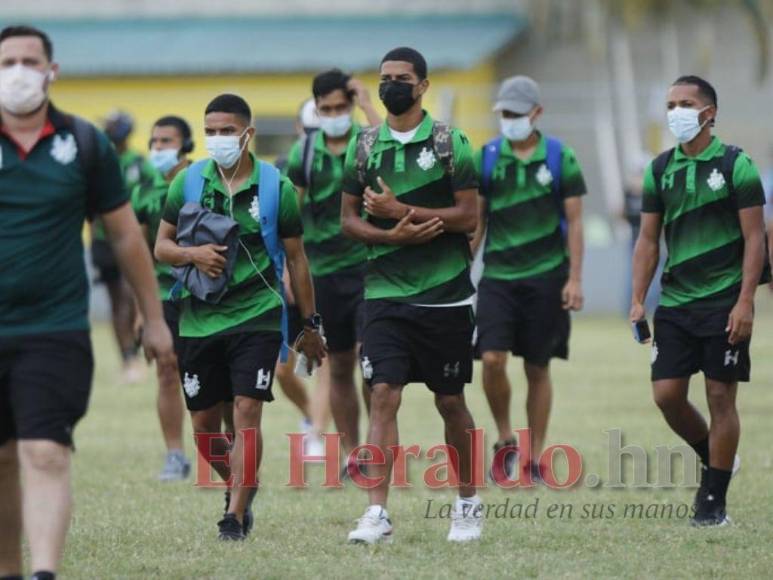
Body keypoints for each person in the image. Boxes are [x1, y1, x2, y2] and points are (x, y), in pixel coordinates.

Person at [0, 25, 174, 580]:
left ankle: (44, 572)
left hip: (54, 327)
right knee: (2, 459)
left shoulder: (84, 143)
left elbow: (125, 235)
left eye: (30, 61)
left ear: (51, 71)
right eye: (7, 62)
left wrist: (154, 319)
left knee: (46, 451)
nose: (18, 72)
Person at [155, 93, 326, 541]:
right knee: (204, 427)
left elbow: (297, 259)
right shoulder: (187, 182)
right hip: (199, 318)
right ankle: (240, 481)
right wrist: (193, 254)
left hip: (258, 315)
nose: (218, 139)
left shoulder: (276, 187)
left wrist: (310, 325)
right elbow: (162, 246)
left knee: (247, 410)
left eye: (226, 131)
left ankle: (233, 517)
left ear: (247, 134)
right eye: (210, 131)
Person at [341, 47, 482, 544]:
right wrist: (391, 236)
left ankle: (467, 503)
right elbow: (348, 220)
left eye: (402, 78)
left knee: (450, 401)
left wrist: (402, 210)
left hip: (445, 296)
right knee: (383, 394)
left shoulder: (450, 142)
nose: (391, 86)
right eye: (385, 78)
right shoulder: (363, 145)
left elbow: (469, 216)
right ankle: (376, 513)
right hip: (384, 293)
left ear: (422, 86)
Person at [630, 75, 768, 527]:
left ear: (709, 113)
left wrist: (745, 302)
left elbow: (755, 238)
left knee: (719, 395)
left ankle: (713, 502)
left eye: (685, 104)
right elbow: (647, 240)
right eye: (671, 104)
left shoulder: (736, 165)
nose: (676, 112)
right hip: (675, 302)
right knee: (666, 395)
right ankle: (717, 457)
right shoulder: (659, 170)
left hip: (723, 300)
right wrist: (637, 299)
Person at [469, 76, 586, 482]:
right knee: (491, 360)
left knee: (538, 367)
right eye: (504, 113)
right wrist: (463, 271)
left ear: (537, 113)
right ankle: (505, 440)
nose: (510, 119)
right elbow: (478, 220)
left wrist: (574, 278)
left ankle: (534, 457)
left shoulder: (560, 157)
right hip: (498, 278)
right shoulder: (486, 157)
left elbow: (575, 222)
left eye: (516, 113)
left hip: (546, 277)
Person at [285, 68, 381, 475]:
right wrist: (289, 272)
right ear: (317, 109)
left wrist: (368, 104)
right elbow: (289, 217)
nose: (335, 114)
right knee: (338, 366)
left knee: (371, 363)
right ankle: (351, 453)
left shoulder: (368, 141)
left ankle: (375, 446)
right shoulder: (304, 153)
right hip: (322, 274)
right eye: (327, 109)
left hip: (369, 269)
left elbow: (392, 150)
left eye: (342, 107)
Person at [131, 115, 196, 481]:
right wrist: (142, 310)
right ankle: (175, 454)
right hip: (161, 295)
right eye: (154, 141)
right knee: (167, 370)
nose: (158, 148)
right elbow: (137, 252)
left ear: (185, 145)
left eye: (166, 141)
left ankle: (225, 449)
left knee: (209, 375)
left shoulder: (202, 183)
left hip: (203, 295)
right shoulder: (144, 192)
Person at [91, 110, 156, 384]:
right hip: (103, 241)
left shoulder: (139, 164)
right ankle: (127, 358)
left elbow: (155, 194)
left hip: (134, 239)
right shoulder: (98, 162)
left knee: (132, 295)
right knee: (117, 299)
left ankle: (139, 349)